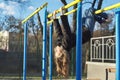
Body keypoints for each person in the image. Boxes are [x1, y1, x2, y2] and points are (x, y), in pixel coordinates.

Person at [53, 7, 111, 77]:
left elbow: (58, 32)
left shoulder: (60, 44)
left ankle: (102, 21)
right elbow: (66, 30)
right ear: (61, 52)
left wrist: (55, 18)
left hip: (81, 29)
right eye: (56, 52)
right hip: (87, 32)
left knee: (87, 12)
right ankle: (107, 16)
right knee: (90, 10)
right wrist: (62, 15)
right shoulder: (66, 44)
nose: (55, 49)